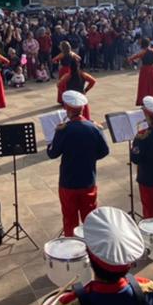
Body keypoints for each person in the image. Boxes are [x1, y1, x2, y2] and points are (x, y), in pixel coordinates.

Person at [47, 91, 110, 236]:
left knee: (70, 219)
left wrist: (53, 139)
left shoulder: (64, 130)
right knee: (90, 219)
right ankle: (92, 249)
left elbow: (52, 153)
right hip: (88, 179)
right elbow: (104, 151)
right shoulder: (94, 127)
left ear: (68, 109)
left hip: (68, 181)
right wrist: (90, 157)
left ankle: (72, 249)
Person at [54, 42, 97, 120]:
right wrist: (85, 90)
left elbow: (59, 85)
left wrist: (64, 93)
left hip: (71, 99)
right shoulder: (83, 74)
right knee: (84, 117)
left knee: (71, 118)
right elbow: (93, 81)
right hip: (81, 97)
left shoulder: (68, 76)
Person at [127, 38, 153, 106]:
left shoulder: (143, 52)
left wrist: (132, 62)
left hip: (144, 70)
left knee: (143, 87)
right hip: (152, 70)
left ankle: (143, 102)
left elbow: (131, 58)